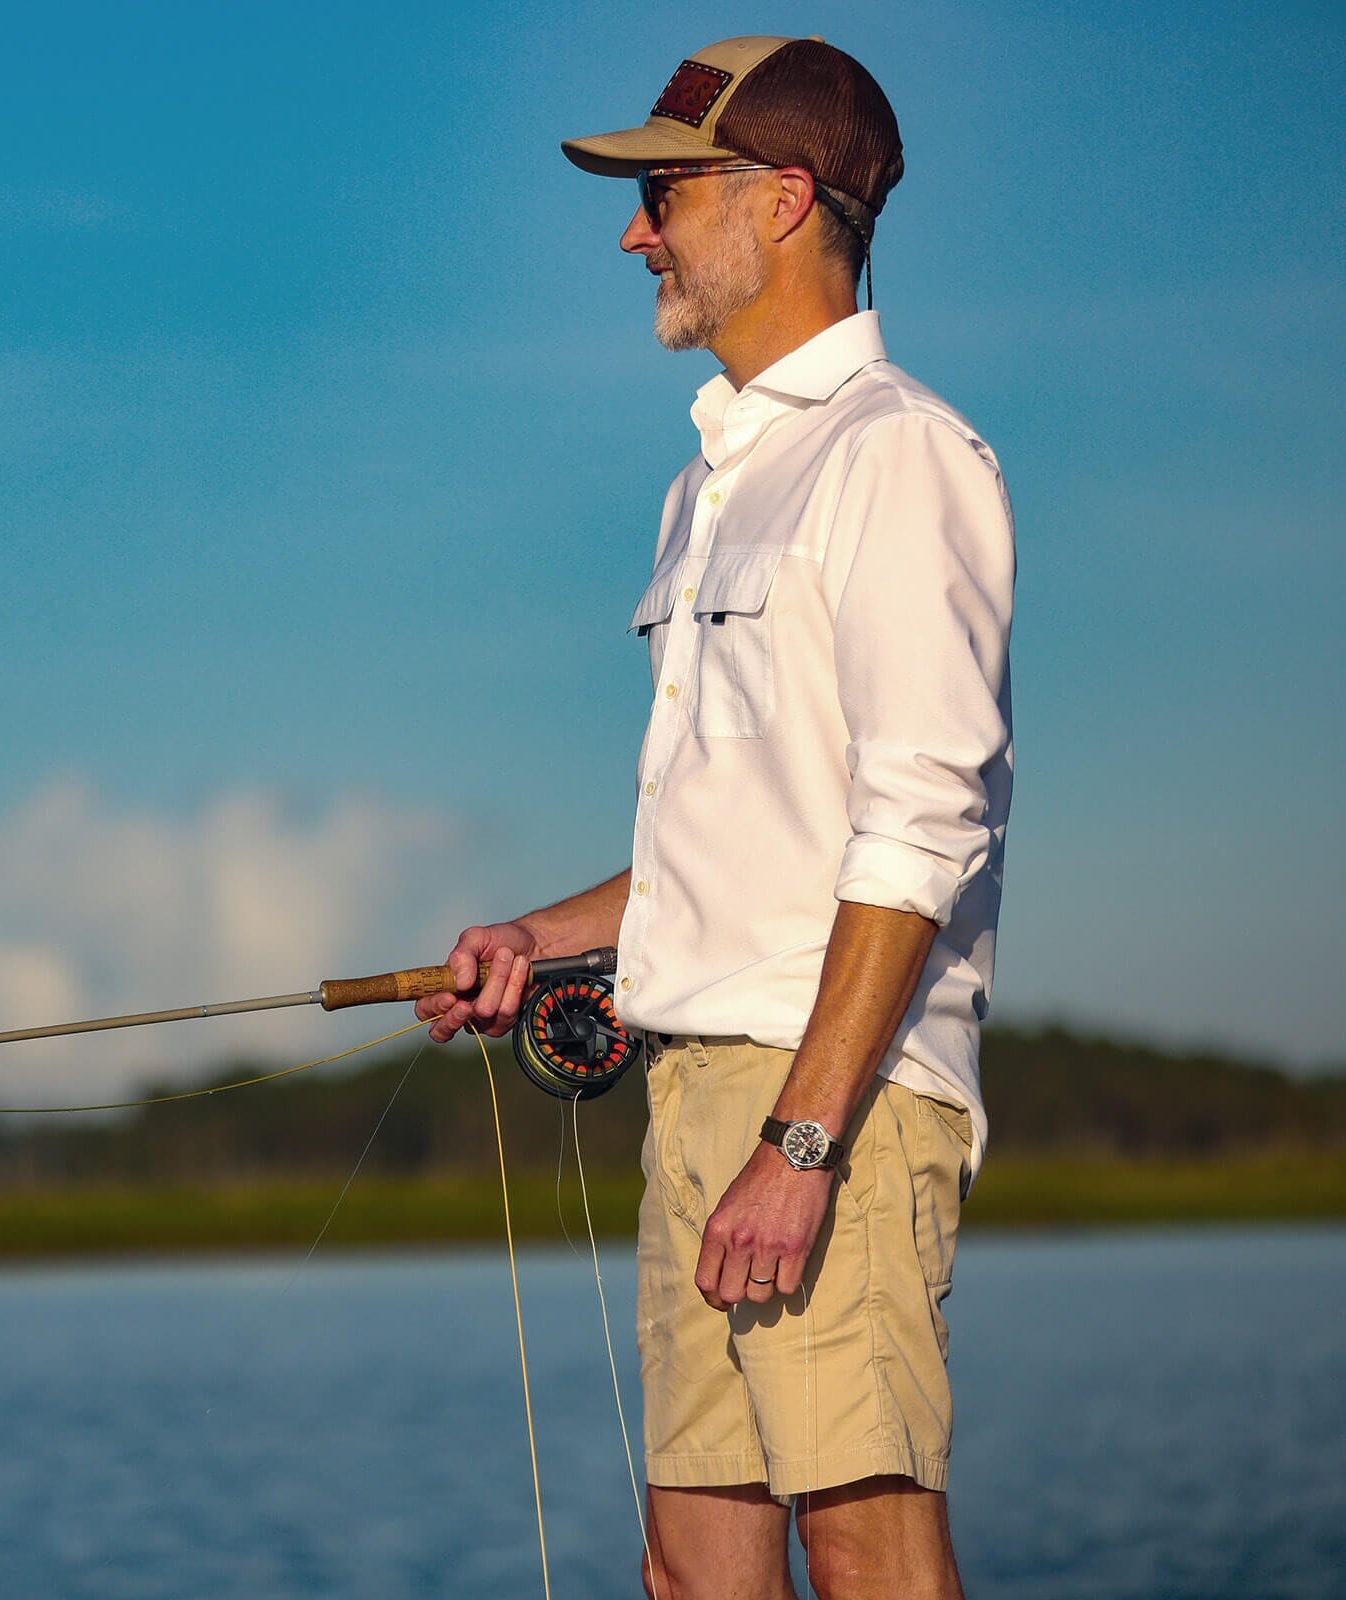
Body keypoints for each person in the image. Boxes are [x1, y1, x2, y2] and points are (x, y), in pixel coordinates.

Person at [417, 34, 1013, 1600]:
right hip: (694, 1098)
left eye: (665, 194)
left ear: (787, 200)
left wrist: (802, 1140)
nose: (635, 235)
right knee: (694, 1565)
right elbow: (741, 832)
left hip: (833, 1102)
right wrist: (537, 939)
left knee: (864, 1544)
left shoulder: (899, 457)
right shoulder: (707, 492)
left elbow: (917, 834)